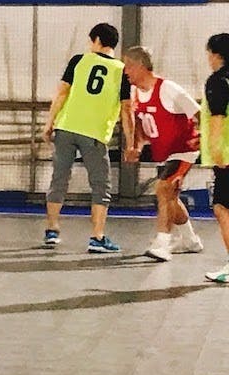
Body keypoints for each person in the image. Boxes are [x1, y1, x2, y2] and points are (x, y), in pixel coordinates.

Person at [42, 22, 134, 252]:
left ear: (97, 40)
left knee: (59, 179)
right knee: (100, 185)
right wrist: (131, 142)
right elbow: (127, 109)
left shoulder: (78, 61)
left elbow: (62, 93)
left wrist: (49, 123)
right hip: (94, 133)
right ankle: (97, 236)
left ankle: (52, 230)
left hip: (66, 127)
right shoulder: (121, 71)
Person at [123, 45, 203, 262]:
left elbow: (199, 113)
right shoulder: (136, 93)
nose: (125, 71)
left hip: (183, 150)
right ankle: (190, 240)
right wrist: (136, 146)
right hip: (164, 154)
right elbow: (142, 125)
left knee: (163, 189)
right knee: (171, 197)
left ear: (141, 66)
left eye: (128, 66)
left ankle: (162, 243)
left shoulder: (168, 89)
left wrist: (203, 137)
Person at [201, 33, 229, 283]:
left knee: (222, 208)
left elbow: (218, 118)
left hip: (227, 156)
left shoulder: (218, 81)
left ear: (216, 54)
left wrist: (217, 151)